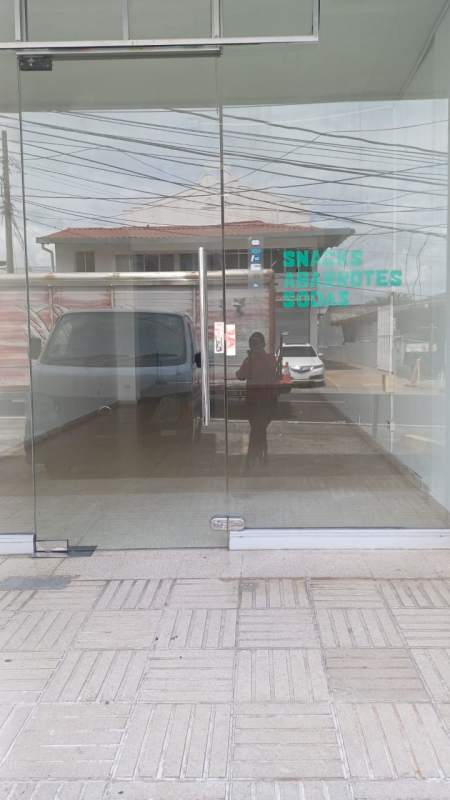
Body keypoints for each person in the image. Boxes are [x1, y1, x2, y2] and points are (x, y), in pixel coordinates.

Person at [236, 331, 278, 472]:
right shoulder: (270, 359)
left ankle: (252, 457)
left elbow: (240, 375)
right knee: (260, 429)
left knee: (256, 430)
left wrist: (251, 357)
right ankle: (261, 455)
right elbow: (241, 375)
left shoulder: (252, 360)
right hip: (267, 401)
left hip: (256, 401)